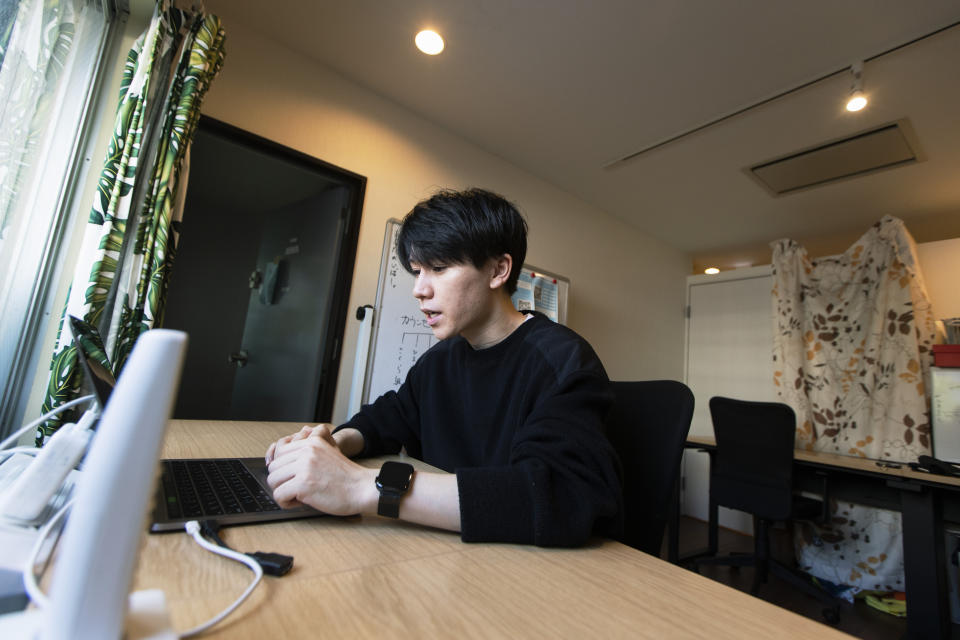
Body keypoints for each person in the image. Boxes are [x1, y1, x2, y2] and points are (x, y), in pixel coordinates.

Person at [265, 188, 622, 546]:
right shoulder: (441, 359)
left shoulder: (562, 359)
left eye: (438, 268)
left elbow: (558, 495)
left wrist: (361, 487)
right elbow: (391, 416)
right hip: (445, 549)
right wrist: (334, 444)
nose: (419, 289)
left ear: (498, 270)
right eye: (417, 271)